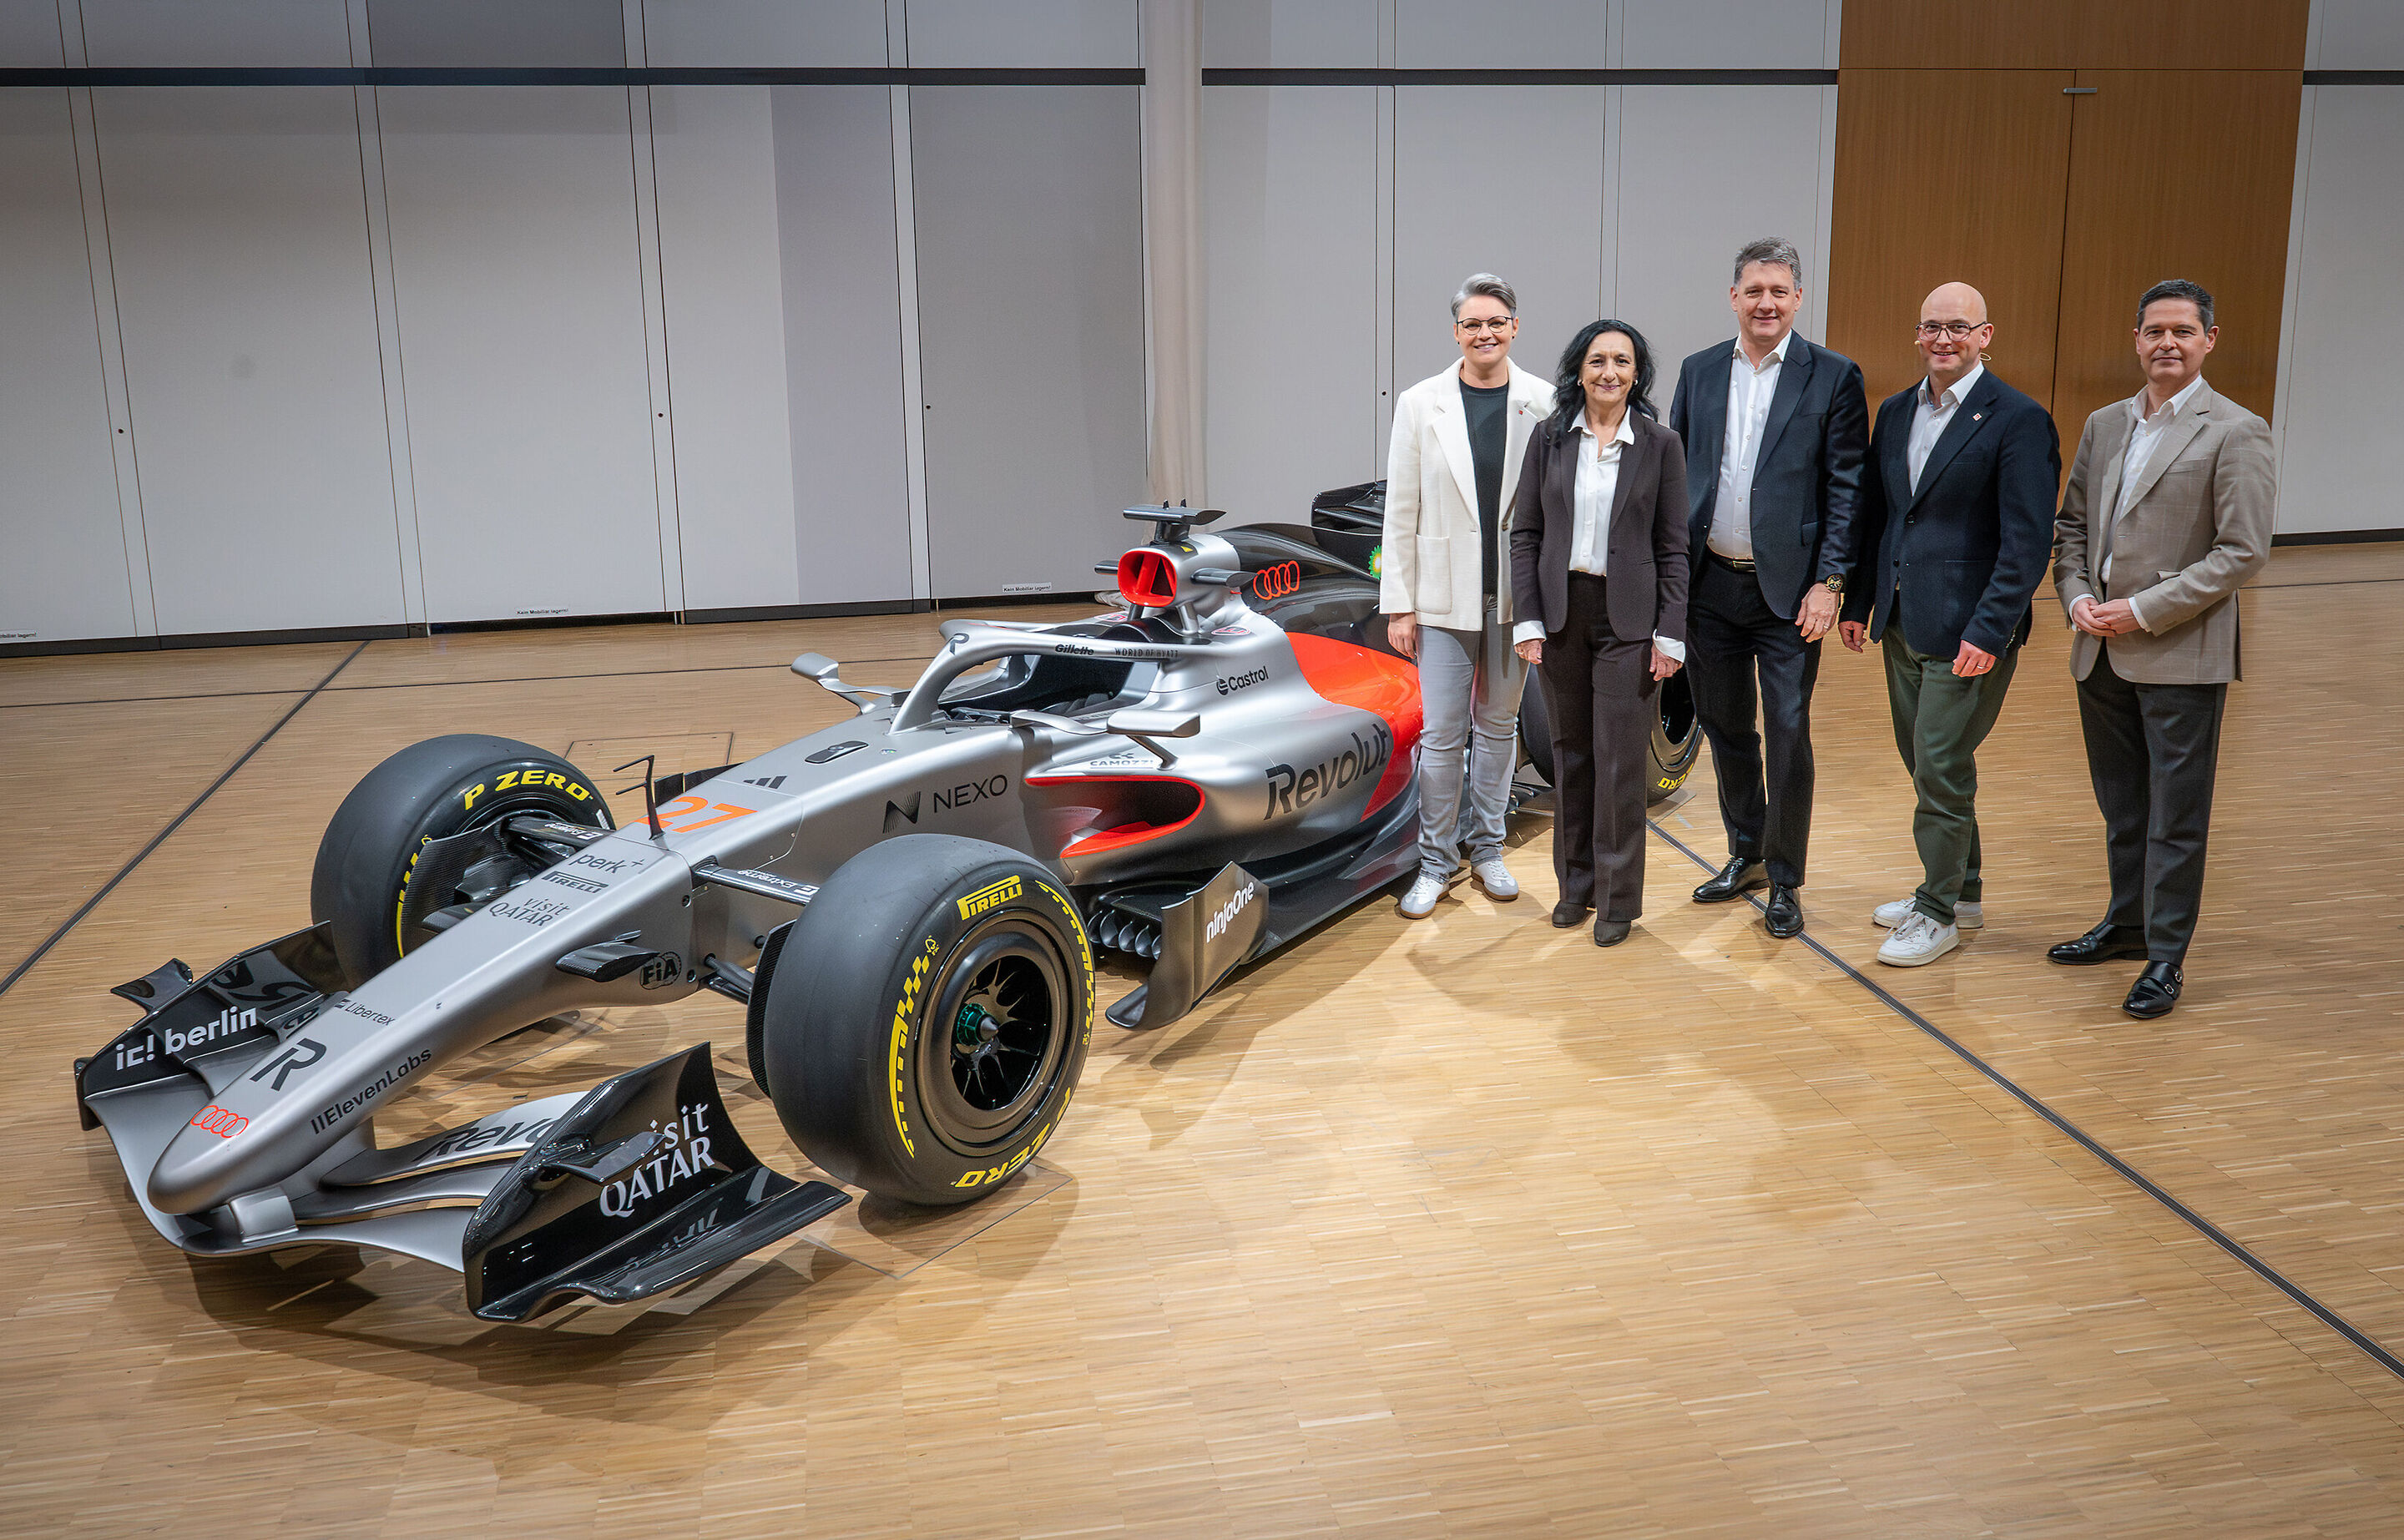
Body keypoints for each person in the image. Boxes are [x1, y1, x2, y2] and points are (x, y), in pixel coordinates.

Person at [2050, 279, 2273, 1018]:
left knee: (2176, 814)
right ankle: (2126, 922)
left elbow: (2241, 552)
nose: (2166, 344)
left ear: (2209, 339)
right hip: (2099, 647)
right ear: (2137, 339)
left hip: (2178, 649)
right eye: (2154, 332)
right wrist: (2078, 597)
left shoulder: (2236, 430)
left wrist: (2142, 610)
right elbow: (2073, 525)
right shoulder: (2105, 423)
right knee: (2123, 806)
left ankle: (2167, 957)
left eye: (2182, 331)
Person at [1839, 283, 2059, 966]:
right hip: (1903, 620)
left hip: (1969, 631)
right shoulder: (1898, 409)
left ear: (1985, 335)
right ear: (1917, 333)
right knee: (1931, 765)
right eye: (1932, 327)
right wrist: (1857, 603)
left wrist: (1990, 631)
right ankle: (1962, 892)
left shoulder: (2018, 419)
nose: (1944, 339)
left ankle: (1938, 915)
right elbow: (1880, 515)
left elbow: (2026, 543)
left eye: (1958, 328)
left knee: (1938, 763)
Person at [1667, 237, 1870, 939]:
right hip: (1708, 587)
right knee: (1725, 727)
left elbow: (1848, 489)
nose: (1766, 303)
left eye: (1780, 291)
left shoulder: (1834, 376)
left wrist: (1831, 582)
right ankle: (1745, 854)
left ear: (1798, 298)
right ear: (1734, 297)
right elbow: (1676, 481)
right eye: (1754, 290)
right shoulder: (1697, 373)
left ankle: (1785, 878)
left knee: (1786, 731)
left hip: (1789, 596)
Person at [1381, 274, 1555, 919]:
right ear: (1457, 332)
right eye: (1473, 324)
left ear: (1515, 327)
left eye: (1497, 322)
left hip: (1514, 597)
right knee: (1443, 731)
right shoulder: (1420, 402)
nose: (1486, 333)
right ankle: (1435, 861)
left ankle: (1488, 848)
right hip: (1441, 596)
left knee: (1500, 726)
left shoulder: (1543, 401)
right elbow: (1402, 510)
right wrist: (1399, 603)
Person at [1508, 321, 1689, 947]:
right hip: (1561, 614)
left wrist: (1671, 633)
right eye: (1597, 360)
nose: (1608, 372)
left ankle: (1617, 900)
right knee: (1570, 754)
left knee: (1618, 763)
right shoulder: (1549, 438)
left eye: (1622, 360)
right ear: (1577, 369)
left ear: (1637, 373)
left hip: (1629, 621)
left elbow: (1673, 547)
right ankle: (1574, 886)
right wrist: (1527, 617)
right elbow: (1525, 534)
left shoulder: (1660, 445)